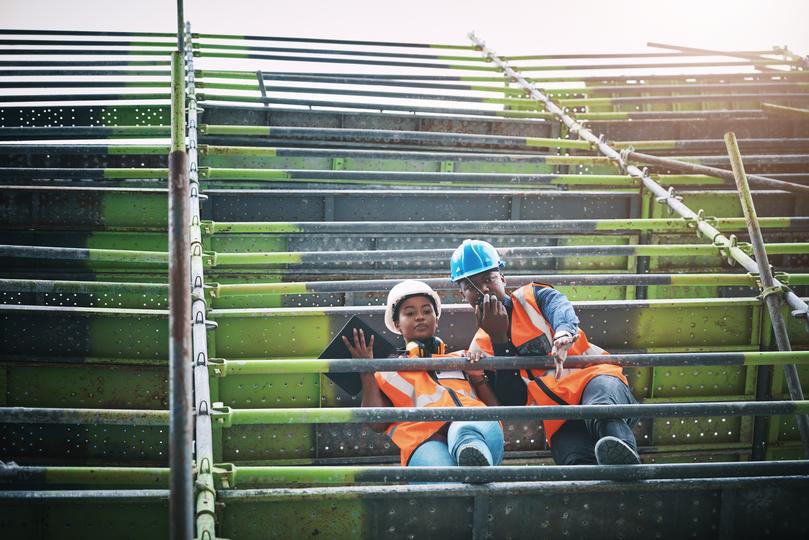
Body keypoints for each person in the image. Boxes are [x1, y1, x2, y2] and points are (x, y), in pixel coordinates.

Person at [449, 239, 640, 466]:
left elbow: (559, 306)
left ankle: (625, 463)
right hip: (559, 414)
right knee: (573, 459)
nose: (484, 289)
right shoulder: (480, 348)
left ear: (502, 279)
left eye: (488, 279)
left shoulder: (532, 296)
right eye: (471, 286)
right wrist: (500, 340)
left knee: (601, 410)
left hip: (595, 379)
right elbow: (513, 401)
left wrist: (563, 335)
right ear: (461, 295)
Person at [343, 279, 504, 468]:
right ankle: (467, 475)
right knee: (438, 469)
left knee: (464, 430)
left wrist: (477, 377)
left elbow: (497, 411)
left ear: (436, 318)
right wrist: (367, 371)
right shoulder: (388, 372)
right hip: (424, 442)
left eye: (427, 311)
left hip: (479, 431)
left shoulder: (463, 358)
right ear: (397, 323)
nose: (420, 317)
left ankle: (470, 454)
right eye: (410, 313)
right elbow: (377, 424)